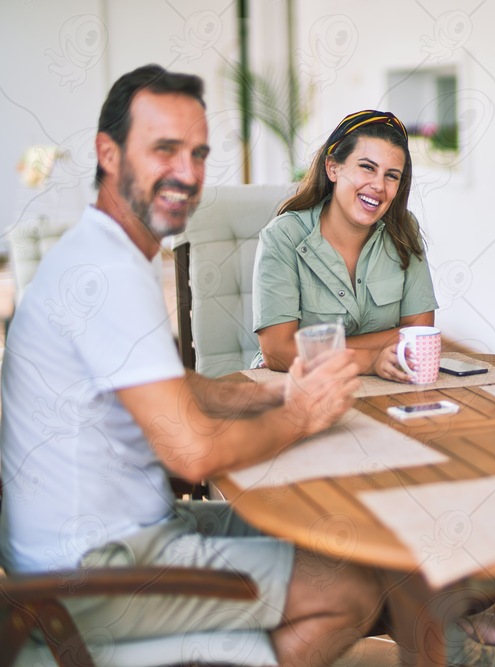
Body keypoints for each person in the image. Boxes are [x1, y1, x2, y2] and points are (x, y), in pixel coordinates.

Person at [0, 64, 388, 666]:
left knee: (341, 539)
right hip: (92, 571)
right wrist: (304, 413)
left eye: (199, 153)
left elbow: (161, 384)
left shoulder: (100, 250)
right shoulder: (107, 273)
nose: (188, 173)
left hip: (116, 537)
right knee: (351, 587)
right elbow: (193, 454)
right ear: (108, 154)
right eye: (164, 150)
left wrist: (262, 395)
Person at [252, 109, 438, 382]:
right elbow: (278, 351)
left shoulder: (403, 230)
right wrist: (369, 358)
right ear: (333, 168)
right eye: (367, 167)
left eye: (392, 175)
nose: (378, 185)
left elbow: (419, 333)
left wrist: (311, 346)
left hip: (385, 385)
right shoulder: (283, 237)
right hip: (295, 387)